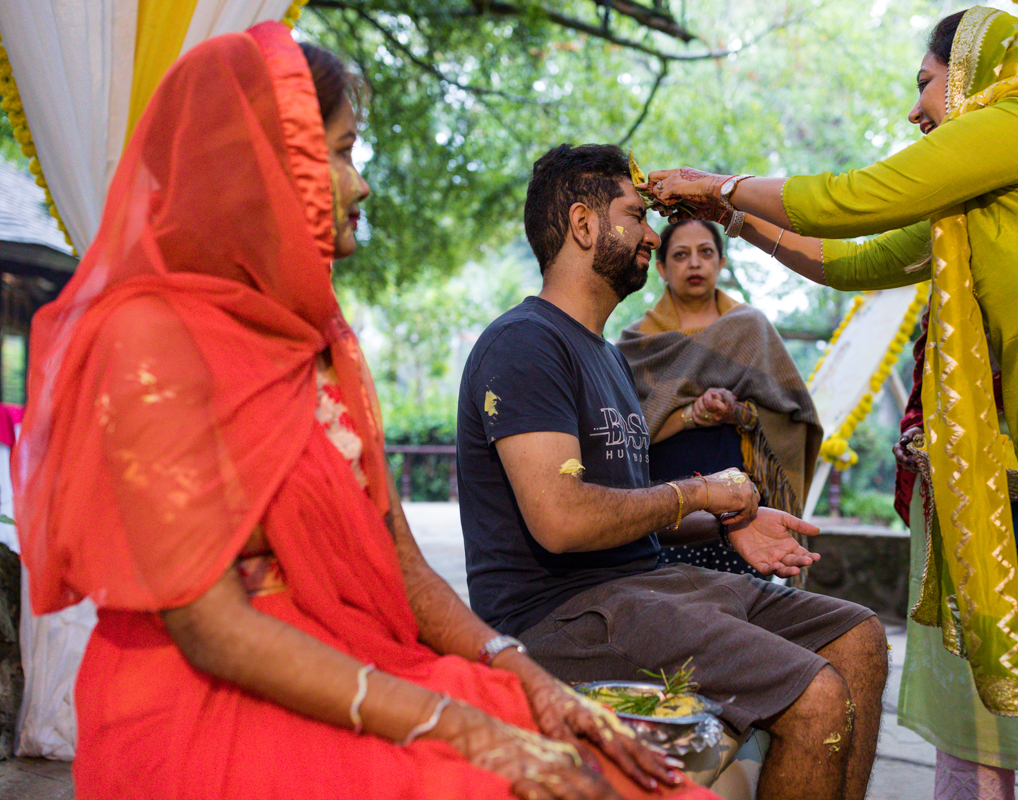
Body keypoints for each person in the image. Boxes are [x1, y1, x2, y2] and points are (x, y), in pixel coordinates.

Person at [12, 24, 712, 800]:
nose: (362, 183)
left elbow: (403, 568)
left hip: (359, 660)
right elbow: (211, 629)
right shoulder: (147, 338)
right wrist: (460, 724)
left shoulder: (318, 339)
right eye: (343, 153)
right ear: (267, 165)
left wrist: (517, 671)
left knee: (629, 773)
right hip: (214, 697)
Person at [644, 6, 1018, 798]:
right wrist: (732, 217)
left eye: (925, 84)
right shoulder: (979, 191)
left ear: (971, 68)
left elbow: (857, 197)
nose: (915, 109)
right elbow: (858, 258)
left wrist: (719, 182)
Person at [456, 142, 889, 800]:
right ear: (582, 225)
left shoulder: (603, 356)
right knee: (816, 695)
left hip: (649, 586)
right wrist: (701, 490)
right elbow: (563, 519)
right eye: (636, 215)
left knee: (859, 638)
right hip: (565, 616)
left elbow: (630, 516)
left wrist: (728, 521)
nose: (651, 234)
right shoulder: (525, 343)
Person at [893, 312, 1018, 800]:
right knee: (969, 699)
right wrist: (920, 442)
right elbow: (923, 400)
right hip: (956, 498)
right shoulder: (950, 278)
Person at [615, 220, 822, 575]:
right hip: (663, 511)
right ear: (662, 268)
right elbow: (628, 433)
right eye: (681, 255)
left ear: (721, 263)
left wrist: (736, 413)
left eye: (706, 252)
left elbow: (791, 416)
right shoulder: (636, 344)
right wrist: (692, 415)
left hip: (738, 514)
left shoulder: (750, 328)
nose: (694, 264)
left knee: (742, 613)